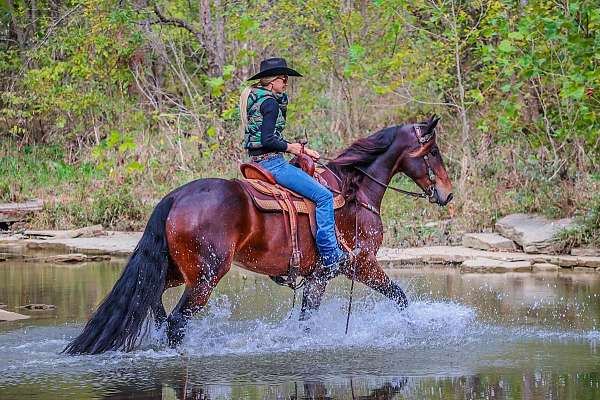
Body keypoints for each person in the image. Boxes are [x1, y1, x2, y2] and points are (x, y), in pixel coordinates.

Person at [239, 57, 351, 277]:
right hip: (273, 164)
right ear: (272, 81)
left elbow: (264, 138)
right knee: (324, 196)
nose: (286, 83)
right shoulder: (270, 102)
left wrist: (301, 150)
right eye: (284, 78)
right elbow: (269, 139)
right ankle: (330, 255)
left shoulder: (255, 98)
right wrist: (294, 148)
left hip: (256, 163)